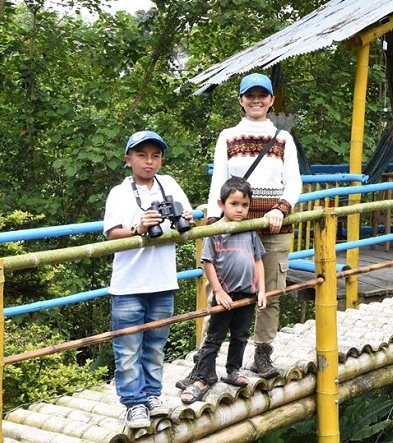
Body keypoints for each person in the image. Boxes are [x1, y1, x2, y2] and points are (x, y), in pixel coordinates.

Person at [206, 72, 302, 378]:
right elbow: (217, 183)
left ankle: (262, 353)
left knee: (269, 292)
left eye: (262, 95)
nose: (256, 101)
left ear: (271, 101)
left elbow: (294, 182)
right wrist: (213, 224)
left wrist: (281, 209)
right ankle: (205, 359)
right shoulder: (228, 137)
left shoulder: (283, 139)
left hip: (273, 229)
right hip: (234, 230)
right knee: (220, 293)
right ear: (241, 101)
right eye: (250, 96)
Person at [103, 130, 193, 429]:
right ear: (128, 160)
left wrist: (188, 218)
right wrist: (138, 227)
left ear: (162, 160)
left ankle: (152, 395)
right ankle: (133, 403)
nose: (149, 162)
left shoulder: (169, 185)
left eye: (155, 156)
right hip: (129, 284)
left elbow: (185, 220)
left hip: (163, 281)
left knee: (155, 345)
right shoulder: (119, 192)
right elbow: (112, 233)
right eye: (142, 155)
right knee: (128, 348)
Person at [180, 177, 267, 404]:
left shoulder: (250, 230)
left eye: (244, 205)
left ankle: (233, 370)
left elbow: (258, 261)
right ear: (221, 204)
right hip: (225, 294)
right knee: (214, 337)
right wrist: (218, 291)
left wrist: (262, 290)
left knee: (240, 335)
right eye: (234, 204)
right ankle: (203, 376)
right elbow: (207, 262)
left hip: (247, 294)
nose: (239, 210)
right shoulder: (215, 230)